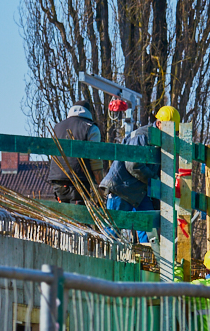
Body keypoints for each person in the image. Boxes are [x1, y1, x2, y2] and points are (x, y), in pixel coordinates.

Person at [98, 98, 161, 242]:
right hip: (121, 188)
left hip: (139, 190)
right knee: (112, 232)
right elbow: (134, 165)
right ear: (159, 124)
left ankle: (147, 255)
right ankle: (106, 253)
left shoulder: (159, 141)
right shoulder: (143, 136)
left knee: (148, 229)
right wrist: (155, 180)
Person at [49, 103, 101, 204]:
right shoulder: (91, 127)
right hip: (79, 181)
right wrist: (100, 185)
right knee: (78, 213)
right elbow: (95, 159)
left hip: (57, 180)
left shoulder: (57, 127)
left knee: (61, 213)